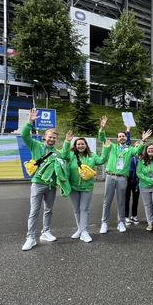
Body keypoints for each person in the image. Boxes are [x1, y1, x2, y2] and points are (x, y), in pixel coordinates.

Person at [20, 108, 70, 251]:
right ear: (45, 137)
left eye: (54, 138)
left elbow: (65, 157)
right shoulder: (36, 145)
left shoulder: (57, 152)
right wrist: (30, 121)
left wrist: (67, 142)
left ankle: (46, 232)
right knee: (34, 211)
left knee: (49, 210)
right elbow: (24, 135)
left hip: (51, 185)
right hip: (38, 183)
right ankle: (30, 237)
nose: (52, 139)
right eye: (50, 137)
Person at [97, 116, 151, 234]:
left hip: (122, 178)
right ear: (117, 139)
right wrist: (102, 128)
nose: (122, 137)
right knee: (107, 201)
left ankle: (121, 222)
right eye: (120, 136)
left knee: (121, 201)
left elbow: (138, 152)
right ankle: (104, 223)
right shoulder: (112, 147)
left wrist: (143, 141)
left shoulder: (130, 149)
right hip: (110, 176)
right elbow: (102, 138)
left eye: (123, 136)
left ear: (126, 138)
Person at [61, 131, 111, 243]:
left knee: (84, 209)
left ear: (86, 145)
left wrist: (106, 148)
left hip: (87, 188)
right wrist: (67, 141)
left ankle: (84, 231)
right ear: (75, 145)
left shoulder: (92, 156)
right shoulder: (71, 155)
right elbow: (63, 155)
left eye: (82, 144)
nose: (80, 146)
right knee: (76, 209)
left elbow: (102, 160)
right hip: (73, 187)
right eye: (78, 144)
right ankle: (80, 229)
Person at [123, 126, 140, 225]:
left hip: (137, 180)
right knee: (127, 198)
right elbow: (127, 142)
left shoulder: (140, 158)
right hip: (128, 178)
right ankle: (125, 216)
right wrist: (128, 131)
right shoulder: (129, 152)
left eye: (139, 147)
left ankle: (134, 216)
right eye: (136, 146)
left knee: (136, 199)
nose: (137, 149)